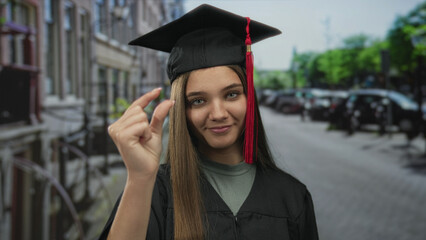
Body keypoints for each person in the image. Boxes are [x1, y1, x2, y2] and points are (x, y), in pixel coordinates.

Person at [99, 4, 318, 240]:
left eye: (232, 94)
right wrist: (139, 178)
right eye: (198, 100)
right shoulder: (155, 192)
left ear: (249, 97)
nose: (218, 113)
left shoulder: (291, 196)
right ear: (182, 109)